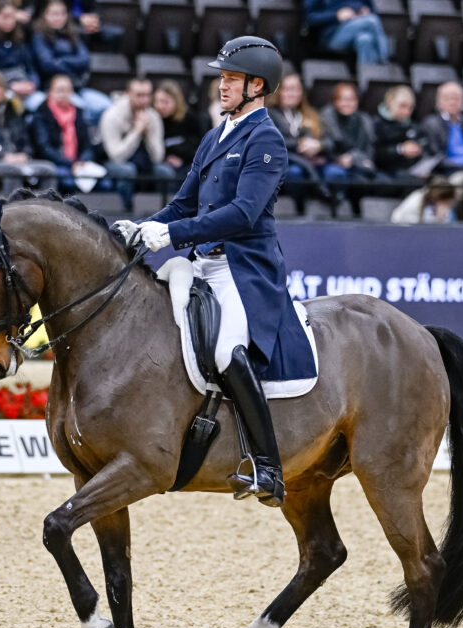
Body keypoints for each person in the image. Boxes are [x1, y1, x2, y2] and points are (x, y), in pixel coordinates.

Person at [113, 37, 314, 507]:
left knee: (226, 352)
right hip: (201, 261)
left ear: (256, 85)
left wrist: (174, 235)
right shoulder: (216, 134)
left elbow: (244, 213)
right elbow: (183, 203)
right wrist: (145, 227)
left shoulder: (266, 138)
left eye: (230, 78)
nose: (221, 85)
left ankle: (268, 468)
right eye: (222, 77)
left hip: (241, 268)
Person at [98, 77, 175, 207]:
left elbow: (157, 157)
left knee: (165, 172)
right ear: (128, 94)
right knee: (128, 170)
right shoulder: (112, 116)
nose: (144, 100)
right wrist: (136, 132)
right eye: (139, 95)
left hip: (143, 162)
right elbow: (116, 156)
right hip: (110, 163)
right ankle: (126, 213)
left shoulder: (153, 116)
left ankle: (165, 214)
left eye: (147, 95)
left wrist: (148, 135)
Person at [30, 0, 111, 123]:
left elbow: (85, 60)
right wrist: (72, 66)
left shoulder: (72, 33)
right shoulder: (39, 36)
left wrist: (60, 61)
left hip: (76, 88)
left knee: (106, 106)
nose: (58, 18)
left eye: (62, 14)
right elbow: (47, 64)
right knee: (77, 111)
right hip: (50, 90)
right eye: (54, 14)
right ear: (45, 15)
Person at [30, 73, 104, 192]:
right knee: (67, 181)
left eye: (67, 90)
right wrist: (70, 164)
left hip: (79, 165)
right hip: (55, 163)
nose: (63, 94)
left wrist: (83, 161)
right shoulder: (41, 114)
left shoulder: (78, 113)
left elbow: (87, 144)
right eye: (59, 90)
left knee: (104, 182)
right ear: (50, 92)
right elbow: (44, 148)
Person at [266, 71, 329, 209]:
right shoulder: (269, 114)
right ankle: (298, 209)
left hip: (313, 159)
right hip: (284, 161)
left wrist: (318, 145)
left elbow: (329, 141)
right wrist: (301, 144)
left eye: (296, 89)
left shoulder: (311, 114)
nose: (292, 93)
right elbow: (274, 141)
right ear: (279, 91)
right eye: (287, 89)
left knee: (335, 172)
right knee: (295, 172)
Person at [320, 81, 380, 210]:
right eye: (341, 99)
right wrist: (339, 159)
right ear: (334, 101)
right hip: (332, 163)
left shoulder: (365, 120)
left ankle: (357, 213)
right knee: (335, 174)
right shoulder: (327, 117)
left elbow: (369, 150)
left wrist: (353, 158)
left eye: (351, 99)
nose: (346, 103)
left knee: (368, 180)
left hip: (358, 164)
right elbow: (326, 146)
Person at [372, 85, 431, 181]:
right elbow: (374, 153)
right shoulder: (377, 124)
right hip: (387, 172)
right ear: (389, 102)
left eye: (410, 108)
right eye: (402, 106)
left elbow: (426, 148)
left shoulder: (414, 126)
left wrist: (419, 151)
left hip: (412, 171)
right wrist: (400, 149)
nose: (407, 111)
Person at [304, 0, 390, 65]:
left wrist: (365, 11)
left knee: (365, 39)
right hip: (332, 35)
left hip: (358, 27)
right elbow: (310, 18)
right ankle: (384, 61)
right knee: (372, 20)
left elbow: (372, 10)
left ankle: (368, 81)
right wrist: (336, 15)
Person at [421, 81, 463, 176]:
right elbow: (436, 157)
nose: (452, 102)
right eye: (447, 98)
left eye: (456, 98)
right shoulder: (431, 124)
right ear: (438, 102)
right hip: (450, 172)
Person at [155, 79, 204, 177]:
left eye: (165, 102)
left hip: (186, 162)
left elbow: (197, 145)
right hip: (163, 163)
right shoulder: (154, 119)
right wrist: (166, 157)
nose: (160, 106)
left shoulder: (190, 119)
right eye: (157, 101)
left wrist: (181, 158)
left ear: (176, 102)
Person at [390, 175, 457, 223]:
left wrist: (440, 218)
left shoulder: (446, 206)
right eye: (444, 201)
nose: (447, 204)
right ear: (435, 197)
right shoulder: (416, 201)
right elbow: (396, 218)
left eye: (448, 201)